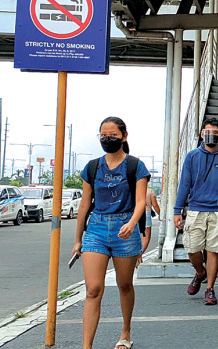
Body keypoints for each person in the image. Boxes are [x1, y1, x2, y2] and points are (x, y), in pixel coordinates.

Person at [71, 117, 150, 349]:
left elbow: (140, 203)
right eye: (103, 135)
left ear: (124, 136)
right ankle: (86, 346)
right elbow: (85, 205)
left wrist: (132, 224)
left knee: (124, 284)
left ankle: (125, 332)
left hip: (125, 226)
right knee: (93, 289)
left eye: (112, 135)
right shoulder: (93, 167)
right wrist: (78, 240)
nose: (107, 139)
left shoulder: (136, 166)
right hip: (96, 228)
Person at [174, 118, 218, 305]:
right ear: (201, 134)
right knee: (192, 249)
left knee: (213, 250)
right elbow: (184, 184)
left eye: (215, 133)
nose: (211, 136)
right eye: (207, 132)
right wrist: (177, 210)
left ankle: (210, 289)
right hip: (196, 209)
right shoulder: (192, 157)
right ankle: (200, 273)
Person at [138, 187, 161, 266]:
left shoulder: (133, 190)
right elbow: (155, 205)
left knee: (136, 238)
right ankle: (139, 254)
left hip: (134, 214)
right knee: (146, 238)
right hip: (146, 214)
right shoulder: (150, 192)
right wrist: (161, 215)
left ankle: (139, 258)